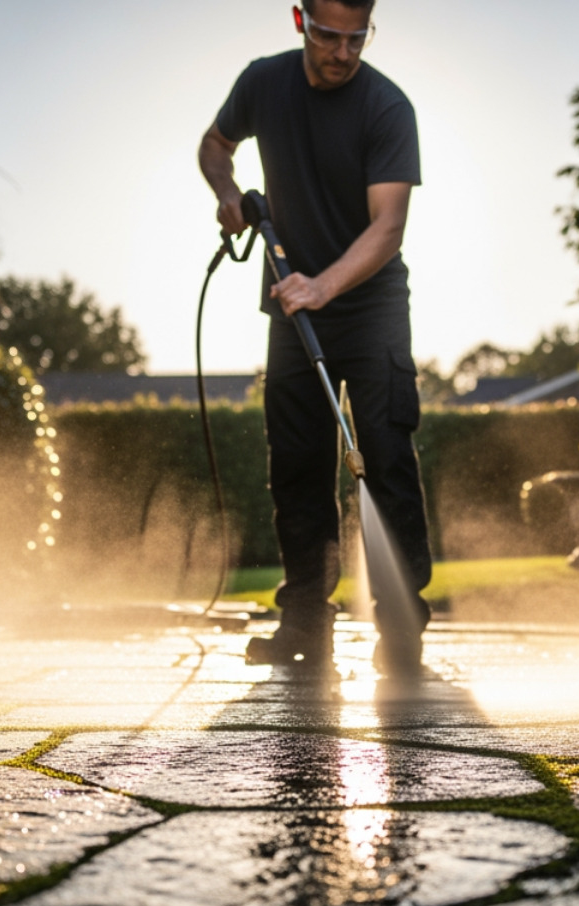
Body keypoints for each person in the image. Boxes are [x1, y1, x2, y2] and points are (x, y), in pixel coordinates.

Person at [198, 0, 431, 673]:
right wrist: (228, 193)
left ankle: (402, 630)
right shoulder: (262, 84)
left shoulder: (387, 107)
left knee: (385, 458)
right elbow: (215, 146)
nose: (343, 51)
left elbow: (388, 228)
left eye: (358, 37)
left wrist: (322, 287)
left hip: (372, 305)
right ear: (300, 20)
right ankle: (304, 624)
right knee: (297, 466)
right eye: (330, 35)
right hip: (293, 305)